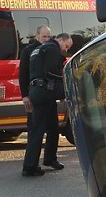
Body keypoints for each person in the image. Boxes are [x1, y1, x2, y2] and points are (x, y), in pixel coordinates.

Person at [22, 32, 73, 177]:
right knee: (38, 131)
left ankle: (50, 159)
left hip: (38, 92)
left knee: (53, 128)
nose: (65, 50)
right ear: (60, 40)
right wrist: (64, 85)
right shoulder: (52, 48)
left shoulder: (39, 49)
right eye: (66, 46)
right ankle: (30, 167)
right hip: (44, 93)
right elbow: (51, 71)